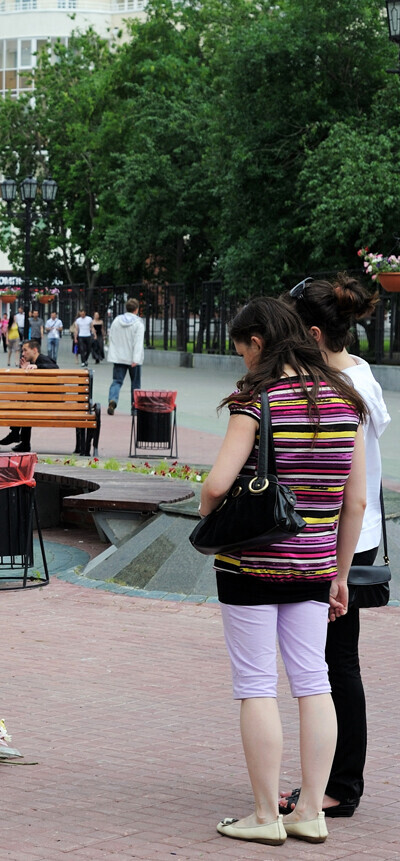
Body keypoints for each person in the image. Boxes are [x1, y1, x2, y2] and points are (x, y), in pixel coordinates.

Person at [202, 297, 366, 848]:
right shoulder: (346, 400)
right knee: (313, 682)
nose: (243, 362)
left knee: (255, 685)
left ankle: (264, 815)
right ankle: (312, 812)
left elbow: (217, 486)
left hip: (252, 562)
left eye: (242, 350)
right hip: (317, 565)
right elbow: (357, 502)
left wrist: (209, 517)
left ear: (258, 342)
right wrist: (339, 573)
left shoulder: (256, 399)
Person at [279, 275, 390, 821]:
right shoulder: (356, 374)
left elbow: (356, 497)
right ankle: (333, 781)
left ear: (316, 333)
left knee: (333, 667)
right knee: (330, 664)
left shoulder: (348, 389)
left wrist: (339, 571)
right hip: (344, 542)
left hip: (341, 545)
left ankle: (339, 787)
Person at [0, 340, 57, 452]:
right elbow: (25, 386)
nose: (23, 354)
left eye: (25, 350)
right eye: (22, 350)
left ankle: (16, 435)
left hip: (50, 401)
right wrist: (25, 372)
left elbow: (55, 367)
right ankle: (21, 440)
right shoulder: (33, 363)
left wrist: (37, 367)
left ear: (34, 350)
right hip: (42, 399)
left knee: (23, 406)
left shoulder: (42, 360)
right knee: (23, 404)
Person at [106, 298, 145, 414]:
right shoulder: (138, 323)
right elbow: (138, 342)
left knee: (117, 381)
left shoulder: (117, 320)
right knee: (135, 384)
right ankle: (135, 408)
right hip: (133, 358)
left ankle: (112, 399)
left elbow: (111, 337)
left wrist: (113, 353)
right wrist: (136, 359)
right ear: (137, 310)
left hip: (119, 357)